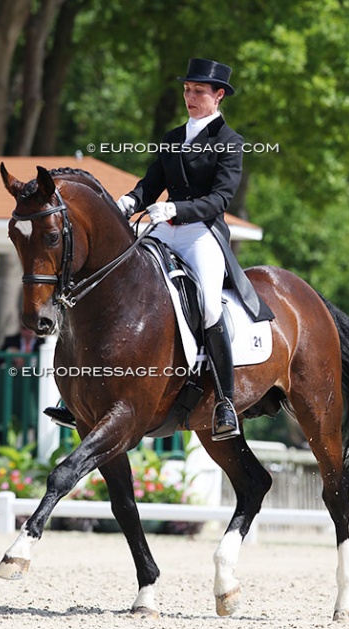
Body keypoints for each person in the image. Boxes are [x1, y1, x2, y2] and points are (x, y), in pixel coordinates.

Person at [46, 58, 272, 440]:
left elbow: (220, 199)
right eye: (187, 90)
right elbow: (150, 184)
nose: (190, 97)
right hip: (164, 231)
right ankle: (76, 398)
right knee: (116, 282)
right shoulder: (171, 137)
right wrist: (129, 202)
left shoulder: (229, 143)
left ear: (218, 96)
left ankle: (225, 403)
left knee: (210, 305)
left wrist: (177, 208)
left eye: (199, 91)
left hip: (202, 234)